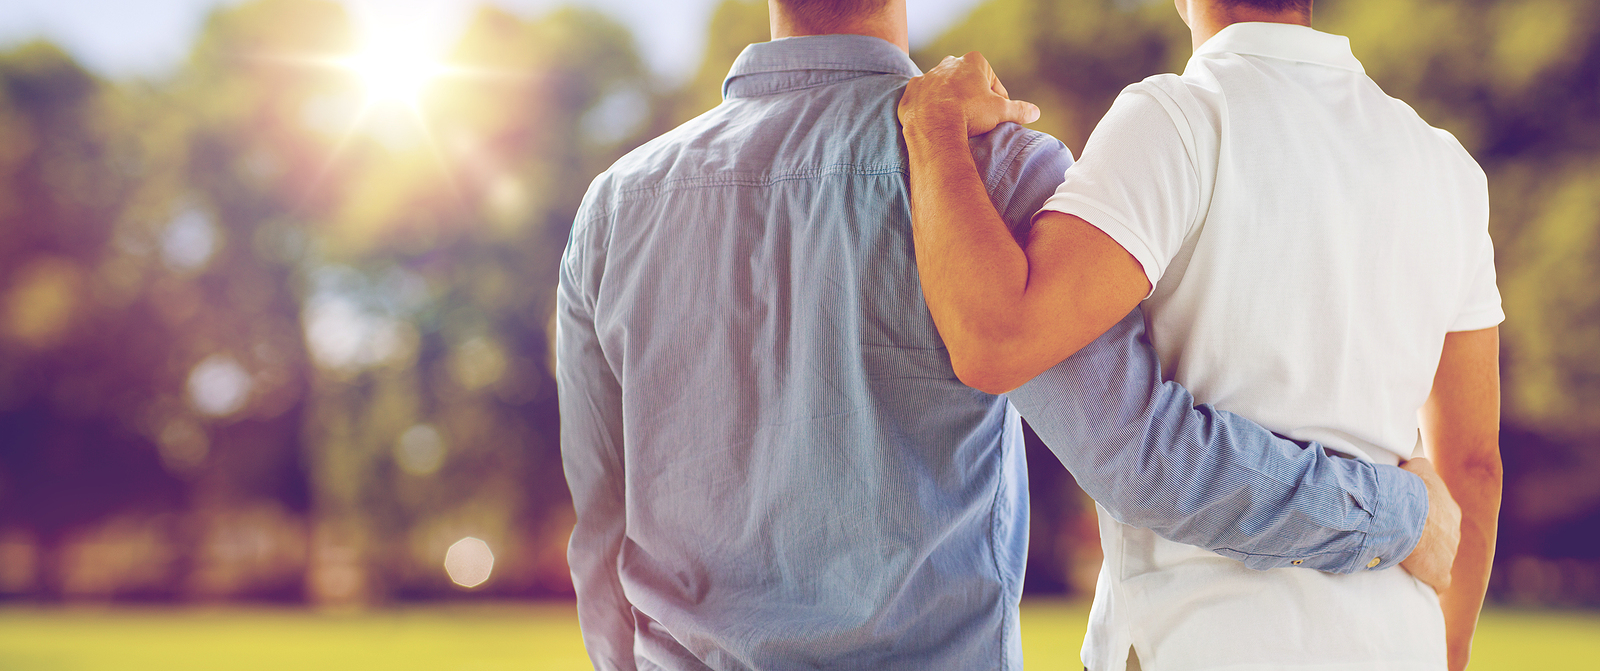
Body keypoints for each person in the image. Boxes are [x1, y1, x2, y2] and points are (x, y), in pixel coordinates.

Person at [557, 0, 1460, 667]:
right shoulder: (992, 170)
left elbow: (600, 537)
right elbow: (1141, 455)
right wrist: (1393, 512)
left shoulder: (613, 210)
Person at [896, 0, 1501, 669]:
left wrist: (934, 133)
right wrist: (1441, 648)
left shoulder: (1179, 119)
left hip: (1198, 639)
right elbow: (1473, 465)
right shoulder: (1450, 171)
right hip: (1396, 643)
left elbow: (997, 341)